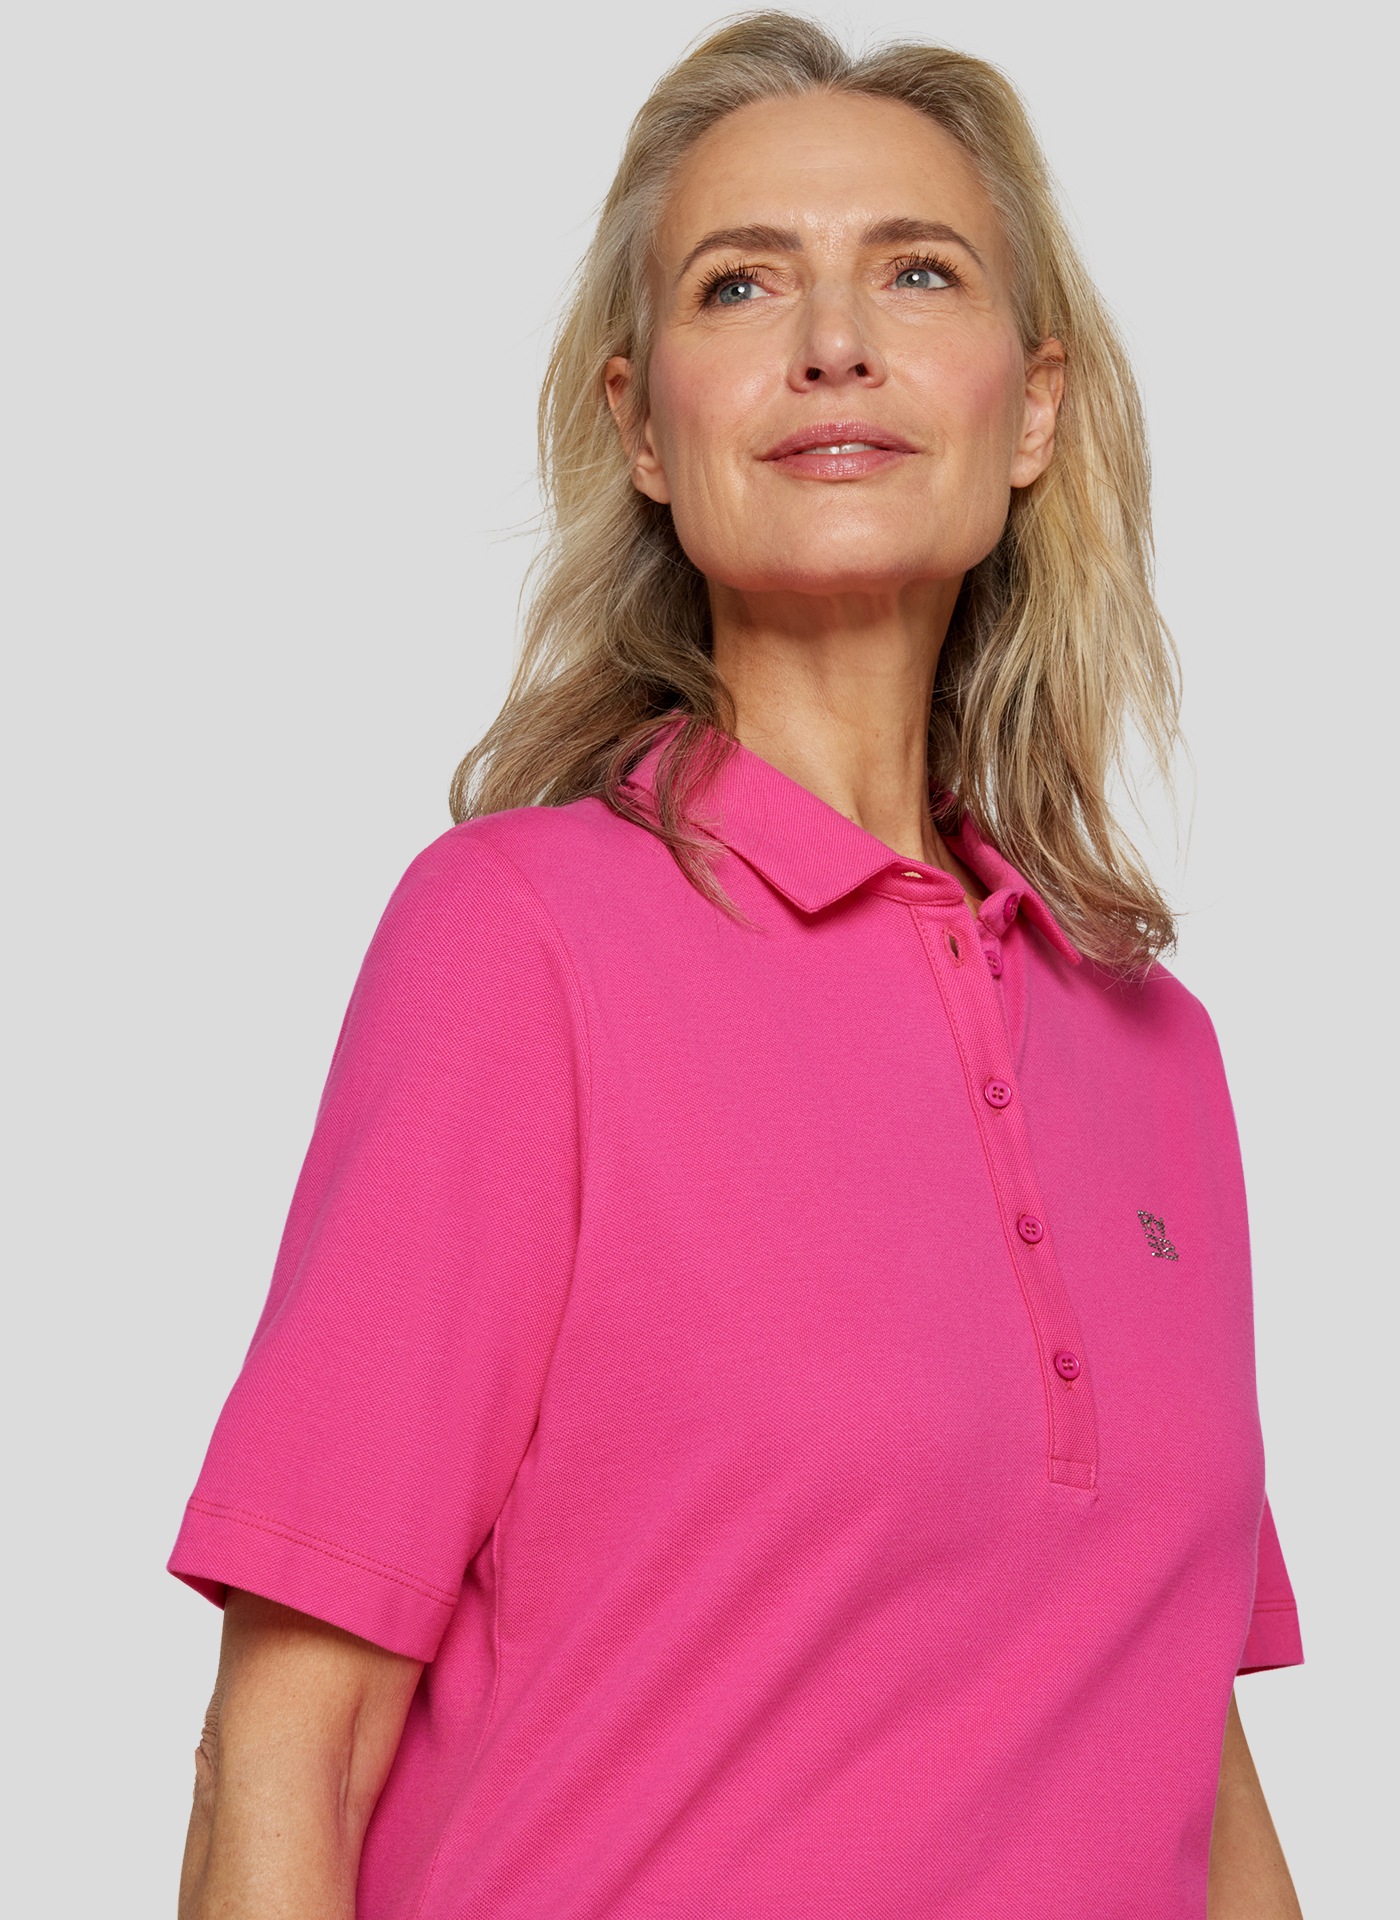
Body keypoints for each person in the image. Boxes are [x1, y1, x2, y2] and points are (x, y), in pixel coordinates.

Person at [169, 13, 1306, 1918]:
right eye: (741, 282)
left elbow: (1184, 1752)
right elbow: (287, 1753)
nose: (833, 340)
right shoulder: (517, 943)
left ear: (1034, 409)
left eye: (917, 272)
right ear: (644, 427)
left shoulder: (1153, 1049)